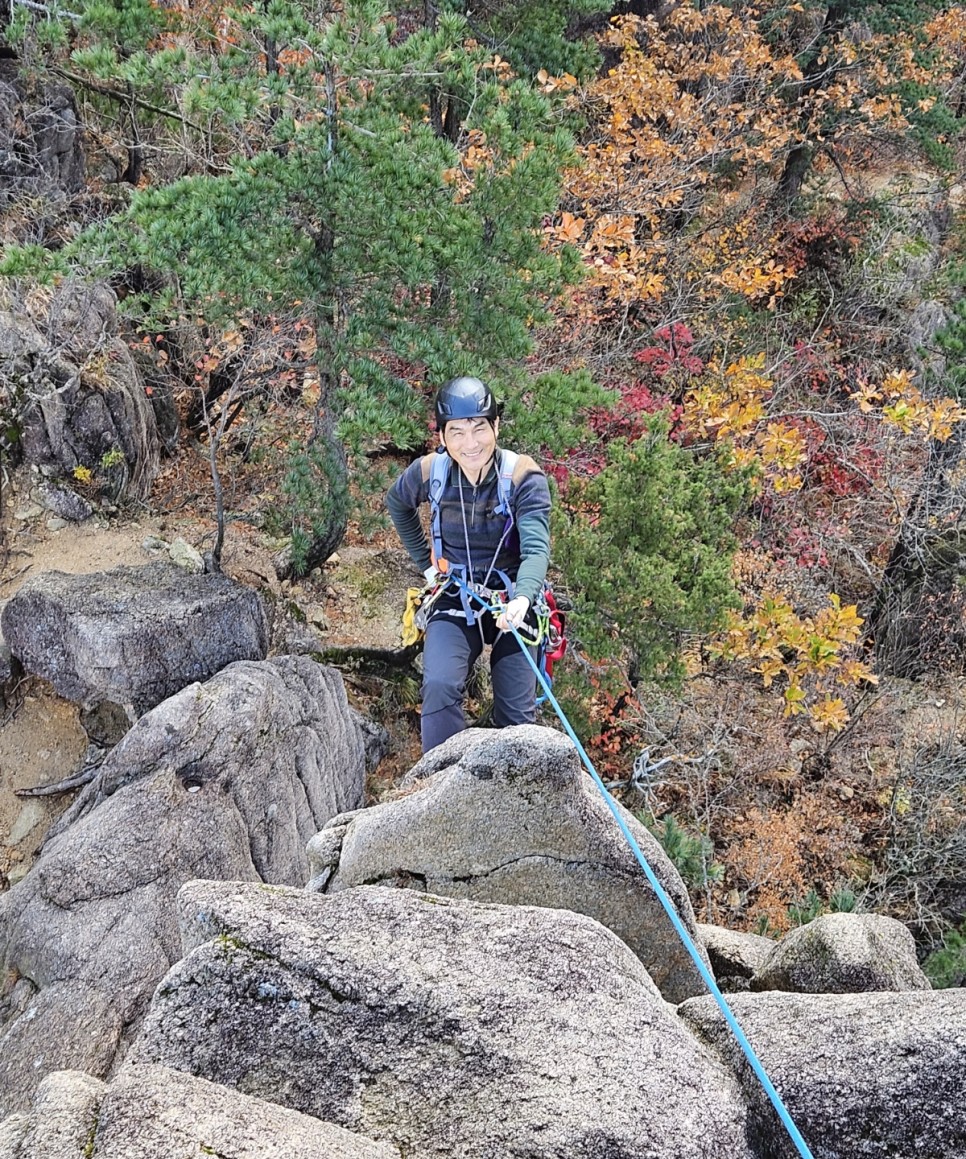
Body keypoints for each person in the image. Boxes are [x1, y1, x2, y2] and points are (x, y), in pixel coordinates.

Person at [386, 376, 552, 754]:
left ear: (496, 427)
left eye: (480, 428)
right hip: (456, 593)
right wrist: (426, 566)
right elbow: (398, 503)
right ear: (442, 437)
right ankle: (441, 785)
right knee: (440, 685)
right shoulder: (431, 473)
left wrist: (524, 598)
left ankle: (516, 791)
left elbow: (536, 548)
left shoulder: (523, 476)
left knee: (516, 713)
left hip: (513, 596)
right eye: (457, 432)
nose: (471, 443)